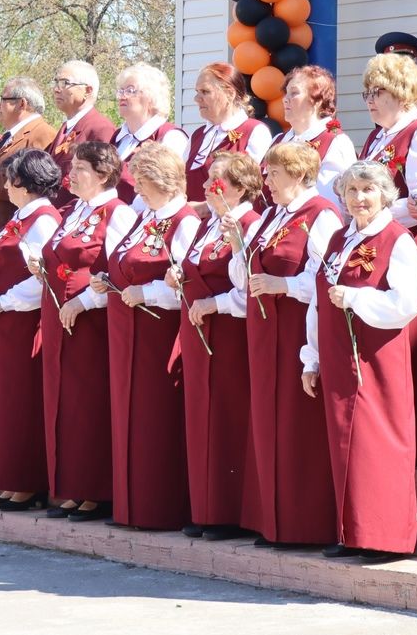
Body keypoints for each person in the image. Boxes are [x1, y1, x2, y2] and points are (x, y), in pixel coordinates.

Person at [303, 161, 417, 562]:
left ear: (385, 194)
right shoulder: (340, 238)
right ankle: (352, 530)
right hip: (339, 357)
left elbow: (407, 304)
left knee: (377, 443)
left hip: (374, 359)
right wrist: (312, 358)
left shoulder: (396, 239)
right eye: (351, 191)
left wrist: (357, 298)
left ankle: (384, 535)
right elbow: (319, 301)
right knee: (345, 446)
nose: (358, 199)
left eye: (366, 190)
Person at [231, 141, 342, 546]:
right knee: (268, 421)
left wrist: (283, 284)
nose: (267, 182)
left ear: (298, 174)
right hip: (265, 333)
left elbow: (327, 274)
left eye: (274, 174)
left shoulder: (321, 216)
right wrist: (235, 242)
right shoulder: (272, 216)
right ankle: (273, 520)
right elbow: (243, 272)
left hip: (297, 329)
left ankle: (303, 522)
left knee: (297, 423)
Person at [87, 142, 199, 529]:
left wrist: (145, 293)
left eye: (142, 182)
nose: (135, 189)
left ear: (162, 182)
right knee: (128, 416)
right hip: (126, 332)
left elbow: (186, 285)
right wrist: (108, 280)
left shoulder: (183, 221)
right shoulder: (144, 219)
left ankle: (158, 507)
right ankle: (130, 506)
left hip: (157, 334)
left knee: (154, 418)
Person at [168, 151, 262, 541]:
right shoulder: (210, 224)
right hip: (199, 330)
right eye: (206, 179)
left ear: (239, 188)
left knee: (226, 417)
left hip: (228, 333)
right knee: (202, 417)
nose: (206, 187)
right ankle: (206, 507)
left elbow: (248, 288)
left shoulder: (250, 225)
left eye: (217, 182)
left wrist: (213, 304)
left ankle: (227, 511)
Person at [38, 142, 134, 520]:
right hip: (62, 318)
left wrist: (84, 302)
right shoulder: (77, 210)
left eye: (80, 168)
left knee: (89, 403)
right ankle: (74, 487)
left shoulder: (118, 213)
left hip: (91, 321)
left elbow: (117, 272)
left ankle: (95, 489)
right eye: (72, 167)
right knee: (67, 402)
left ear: (103, 173)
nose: (71, 175)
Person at [359, 51, 417, 459]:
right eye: (367, 93)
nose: (370, 101)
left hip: (409, 247)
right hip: (376, 245)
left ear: (402, 93)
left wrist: (374, 210)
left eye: (379, 92)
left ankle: (416, 441)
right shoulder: (377, 135)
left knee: (409, 340)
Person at [0, 149, 62, 511]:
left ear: (24, 182)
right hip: (4, 321)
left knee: (21, 401)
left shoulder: (43, 219)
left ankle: (27, 481)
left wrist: (4, 301)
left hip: (23, 321)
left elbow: (40, 276)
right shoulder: (20, 217)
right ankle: (10, 479)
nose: (5, 185)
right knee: (5, 401)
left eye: (9, 178)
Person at [264, 65, 355, 211]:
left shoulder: (335, 141)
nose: (285, 100)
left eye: (294, 93)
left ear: (317, 100)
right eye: (286, 94)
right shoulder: (278, 141)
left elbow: (332, 205)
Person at [185, 62, 272, 204]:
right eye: (197, 92)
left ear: (230, 93)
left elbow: (249, 190)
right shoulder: (198, 136)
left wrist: (204, 208)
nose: (196, 99)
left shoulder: (254, 131)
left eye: (205, 92)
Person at [0, 77, 57, 229]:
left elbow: (26, 181)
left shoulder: (42, 134)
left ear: (21, 104)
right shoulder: (14, 134)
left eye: (3, 99)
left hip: (14, 228)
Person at [112, 63, 190, 204]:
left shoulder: (171, 137)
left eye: (130, 90)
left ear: (151, 97)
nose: (122, 96)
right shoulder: (117, 138)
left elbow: (167, 192)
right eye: (121, 91)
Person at [46, 60, 117, 208]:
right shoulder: (66, 126)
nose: (57, 89)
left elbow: (100, 185)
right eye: (56, 82)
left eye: (65, 83)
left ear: (88, 90)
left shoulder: (100, 128)